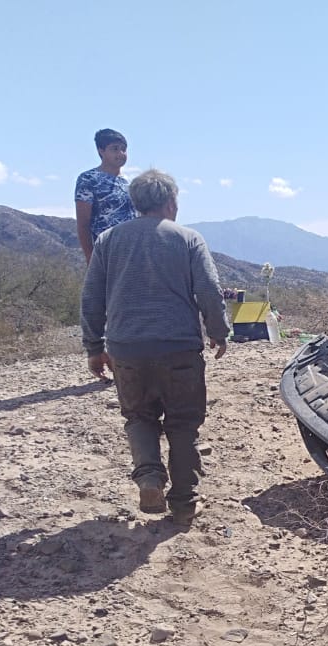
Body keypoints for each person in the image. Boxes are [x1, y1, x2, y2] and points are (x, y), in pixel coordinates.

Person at [80, 169, 229, 527]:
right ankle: (184, 502)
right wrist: (218, 331)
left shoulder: (108, 240)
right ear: (170, 202)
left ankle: (149, 478)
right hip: (179, 348)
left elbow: (92, 297)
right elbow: (209, 290)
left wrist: (94, 346)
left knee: (139, 417)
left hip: (126, 349)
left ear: (135, 203)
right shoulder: (188, 239)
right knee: (183, 422)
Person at [74, 129, 136, 264]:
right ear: (101, 151)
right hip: (105, 255)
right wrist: (90, 258)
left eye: (123, 149)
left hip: (133, 254)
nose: (121, 153)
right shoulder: (89, 179)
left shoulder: (131, 183)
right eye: (115, 149)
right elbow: (83, 223)